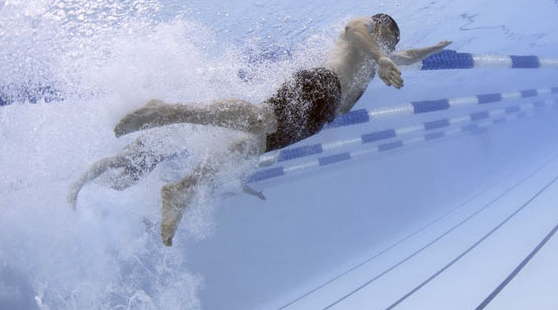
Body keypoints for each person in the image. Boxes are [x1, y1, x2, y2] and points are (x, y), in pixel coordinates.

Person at [69, 15, 452, 246]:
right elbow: (354, 30)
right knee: (258, 120)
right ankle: (165, 112)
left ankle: (182, 189)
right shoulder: (366, 35)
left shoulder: (378, 60)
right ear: (380, 28)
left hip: (317, 119)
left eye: (390, 43)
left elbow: (405, 56)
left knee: (245, 149)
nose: (387, 44)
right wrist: (381, 54)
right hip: (320, 85)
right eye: (385, 37)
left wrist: (430, 50)